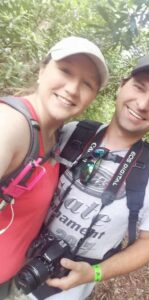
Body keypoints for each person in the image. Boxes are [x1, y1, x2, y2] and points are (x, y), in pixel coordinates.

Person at [26, 53, 149, 300]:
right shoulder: (72, 133)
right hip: (14, 256)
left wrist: (94, 273)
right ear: (121, 86)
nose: (142, 104)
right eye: (139, 88)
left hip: (66, 292)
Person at [0, 36, 109, 299]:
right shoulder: (12, 125)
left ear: (92, 97)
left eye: (87, 84)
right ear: (42, 70)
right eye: (65, 71)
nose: (72, 89)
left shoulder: (56, 134)